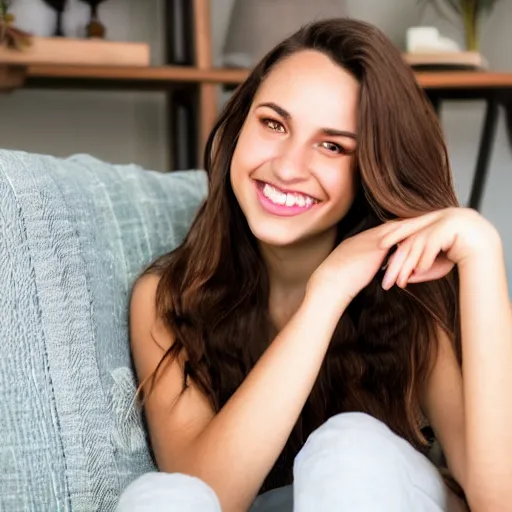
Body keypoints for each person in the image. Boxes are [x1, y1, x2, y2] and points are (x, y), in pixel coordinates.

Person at [116, 18, 512, 512]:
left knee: (349, 445)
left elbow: (498, 500)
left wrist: (482, 253)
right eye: (273, 124)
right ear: (240, 125)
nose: (286, 167)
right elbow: (208, 494)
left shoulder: (409, 296)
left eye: (332, 146)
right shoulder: (169, 297)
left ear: (371, 168)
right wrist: (326, 292)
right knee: (160, 497)